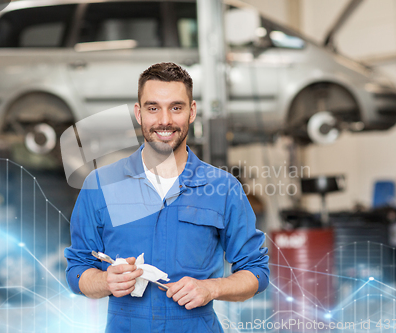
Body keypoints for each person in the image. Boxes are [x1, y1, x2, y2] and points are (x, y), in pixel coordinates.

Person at [64, 62, 269, 332]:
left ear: (192, 111)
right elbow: (78, 270)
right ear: (138, 114)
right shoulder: (100, 185)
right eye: (153, 108)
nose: (164, 120)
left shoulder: (223, 188)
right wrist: (105, 282)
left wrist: (211, 287)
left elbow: (256, 272)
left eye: (176, 107)